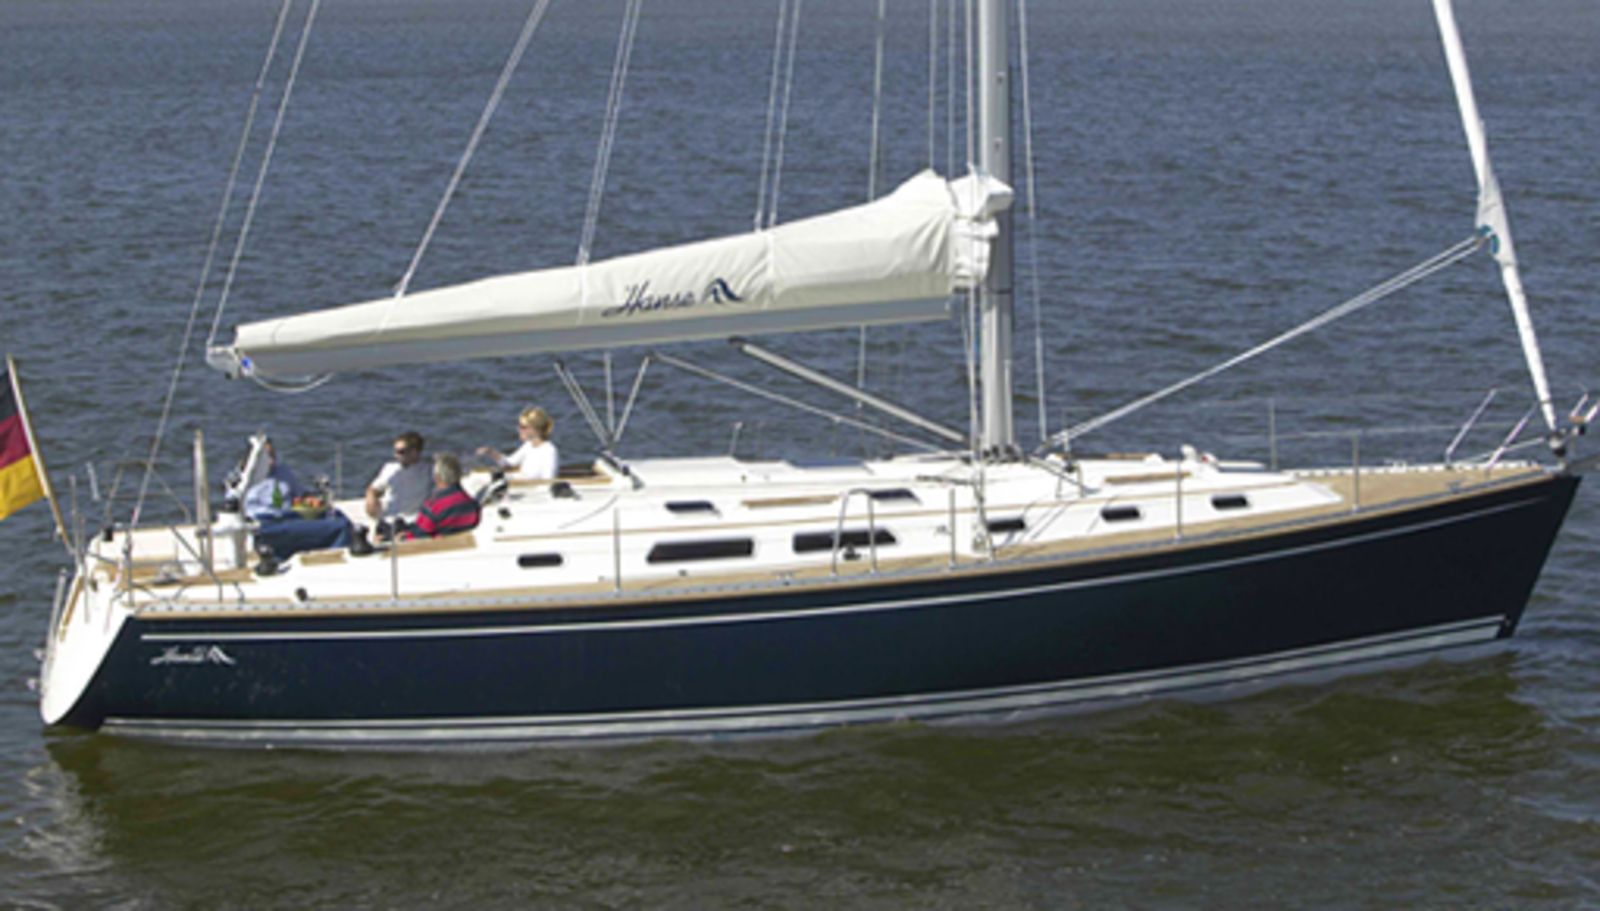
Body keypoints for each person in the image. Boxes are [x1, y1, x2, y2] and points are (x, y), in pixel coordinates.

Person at [408, 453, 481, 539]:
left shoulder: (433, 506)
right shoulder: (472, 505)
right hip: (461, 544)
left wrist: (403, 536)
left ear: (437, 477)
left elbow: (420, 534)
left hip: (435, 545)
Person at [477, 406, 558, 480]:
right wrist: (490, 452)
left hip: (531, 489)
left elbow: (548, 482)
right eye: (519, 426)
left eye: (523, 427)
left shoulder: (549, 451)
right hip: (522, 485)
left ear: (536, 429)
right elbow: (508, 464)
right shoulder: (528, 445)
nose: (519, 429)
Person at [365, 431, 430, 520]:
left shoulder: (428, 471)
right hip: (390, 516)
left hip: (414, 518)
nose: (396, 455)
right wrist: (371, 499)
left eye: (401, 452)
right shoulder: (390, 468)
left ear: (414, 452)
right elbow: (373, 489)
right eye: (395, 451)